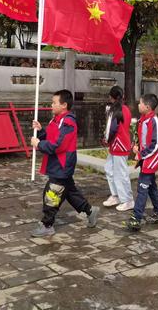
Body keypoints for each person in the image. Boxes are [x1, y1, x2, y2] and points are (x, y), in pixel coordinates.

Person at [30, 89, 99, 237]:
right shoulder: (55, 119)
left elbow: (58, 145)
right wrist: (41, 132)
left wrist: (39, 144)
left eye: (54, 103)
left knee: (52, 192)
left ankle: (47, 224)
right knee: (69, 192)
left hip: (62, 164)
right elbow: (50, 137)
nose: (51, 105)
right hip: (56, 163)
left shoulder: (68, 122)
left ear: (64, 105)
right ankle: (90, 210)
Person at [126, 94, 158, 231]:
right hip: (145, 157)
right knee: (151, 186)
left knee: (142, 187)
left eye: (140, 103)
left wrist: (142, 154)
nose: (138, 105)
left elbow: (156, 144)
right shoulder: (142, 120)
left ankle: (136, 218)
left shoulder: (154, 121)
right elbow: (140, 137)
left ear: (147, 107)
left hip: (151, 158)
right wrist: (136, 146)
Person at [102, 86, 134, 211]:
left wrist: (107, 139)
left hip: (118, 145)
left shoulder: (115, 110)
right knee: (109, 169)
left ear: (112, 97)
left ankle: (127, 199)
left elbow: (112, 128)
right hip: (118, 144)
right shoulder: (124, 109)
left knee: (120, 173)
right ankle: (116, 195)